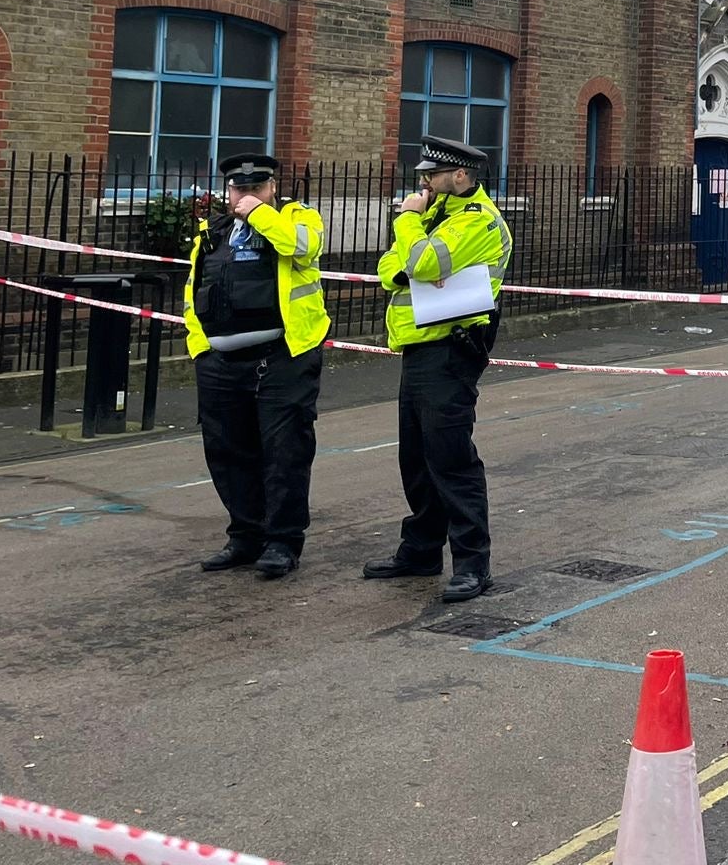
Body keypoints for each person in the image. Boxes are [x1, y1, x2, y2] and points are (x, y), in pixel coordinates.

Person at [363, 136, 513, 604]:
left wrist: (408, 225)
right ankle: (422, 550)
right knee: (416, 458)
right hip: (419, 348)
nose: (424, 182)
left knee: (451, 460)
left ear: (461, 176)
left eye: (432, 175)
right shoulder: (437, 217)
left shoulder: (479, 221)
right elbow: (392, 265)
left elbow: (422, 260)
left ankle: (473, 564)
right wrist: (412, 253)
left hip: (451, 351)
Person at [183, 154, 330, 580]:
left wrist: (262, 214)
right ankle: (245, 535)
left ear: (271, 188)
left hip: (283, 357)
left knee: (285, 452)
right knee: (228, 450)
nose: (245, 195)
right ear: (228, 191)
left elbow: (301, 247)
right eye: (238, 189)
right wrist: (201, 348)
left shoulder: (296, 218)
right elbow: (196, 289)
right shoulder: (213, 230)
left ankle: (283, 541)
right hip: (220, 361)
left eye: (255, 188)